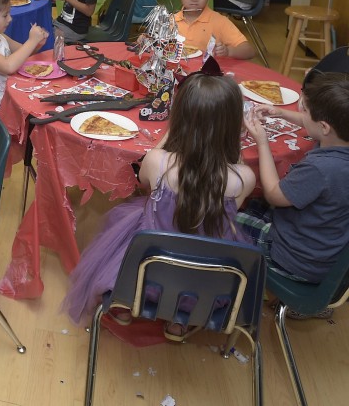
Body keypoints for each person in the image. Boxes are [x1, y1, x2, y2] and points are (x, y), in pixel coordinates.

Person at [62, 61, 255, 337]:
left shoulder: (157, 162)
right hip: (206, 279)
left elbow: (144, 183)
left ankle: (125, 302)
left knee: (128, 226)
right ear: (234, 124)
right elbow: (230, 189)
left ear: (180, 118)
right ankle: (180, 320)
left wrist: (169, 133)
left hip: (149, 272)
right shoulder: (244, 178)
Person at [238, 73, 349, 298]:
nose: (302, 115)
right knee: (251, 204)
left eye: (305, 112)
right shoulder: (339, 141)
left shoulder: (320, 169)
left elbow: (273, 194)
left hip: (294, 259)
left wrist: (262, 142)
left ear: (325, 127)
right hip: (326, 250)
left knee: (224, 217)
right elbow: (315, 125)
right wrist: (281, 112)